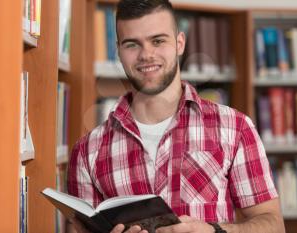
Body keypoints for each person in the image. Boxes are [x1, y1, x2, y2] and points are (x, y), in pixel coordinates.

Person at [67, 0, 285, 232]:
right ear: (118, 51)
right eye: (132, 44)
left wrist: (215, 231)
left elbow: (273, 224)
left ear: (180, 43)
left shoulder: (235, 128)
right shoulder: (87, 151)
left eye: (158, 41)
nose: (146, 55)